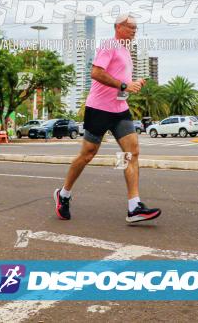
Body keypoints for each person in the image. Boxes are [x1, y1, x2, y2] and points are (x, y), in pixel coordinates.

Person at [54, 14, 161, 224]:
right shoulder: (109, 45)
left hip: (120, 109)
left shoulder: (126, 51)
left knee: (133, 152)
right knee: (87, 154)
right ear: (118, 27)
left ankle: (134, 206)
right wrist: (123, 85)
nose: (134, 30)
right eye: (131, 27)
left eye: (136, 27)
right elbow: (96, 72)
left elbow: (122, 82)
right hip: (99, 109)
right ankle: (63, 194)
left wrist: (133, 84)